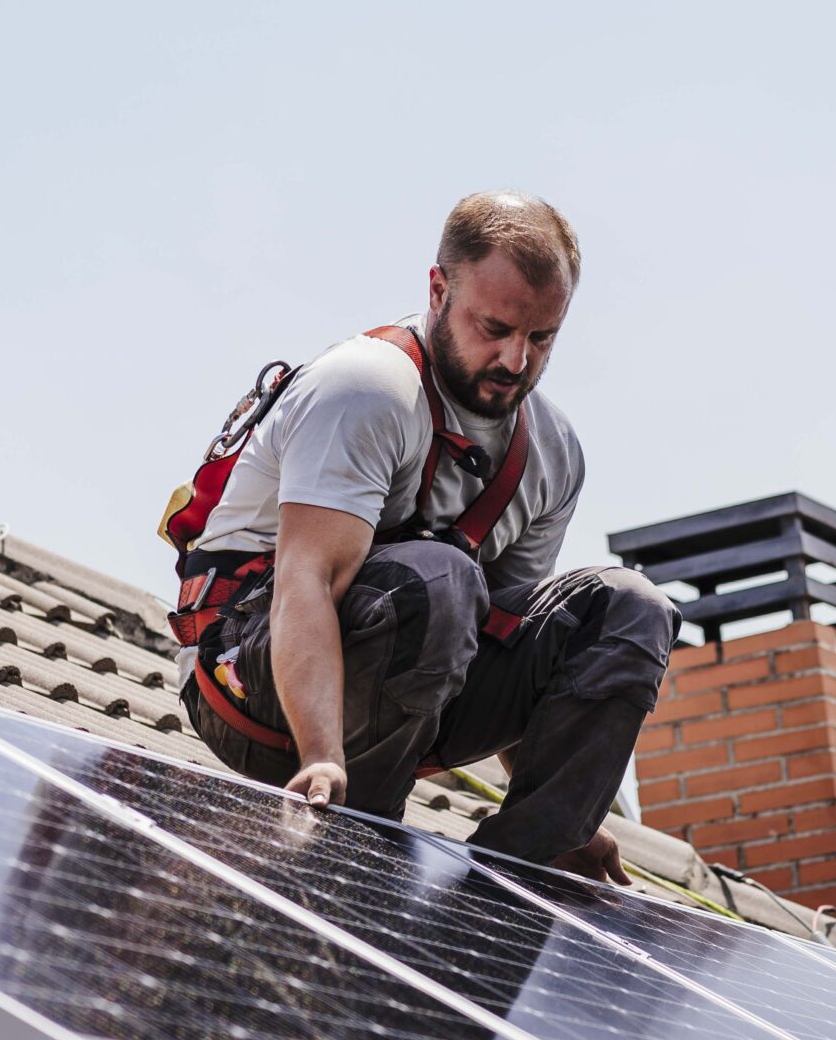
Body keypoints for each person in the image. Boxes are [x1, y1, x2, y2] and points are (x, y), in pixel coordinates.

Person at [178, 191, 678, 882]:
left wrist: (562, 803)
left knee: (630, 607)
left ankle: (528, 867)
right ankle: (356, 849)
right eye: (494, 327)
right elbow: (306, 580)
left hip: (411, 705)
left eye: (540, 339)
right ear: (439, 289)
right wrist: (321, 754)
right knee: (441, 575)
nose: (514, 360)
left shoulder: (553, 452)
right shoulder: (367, 389)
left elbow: (506, 639)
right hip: (257, 687)